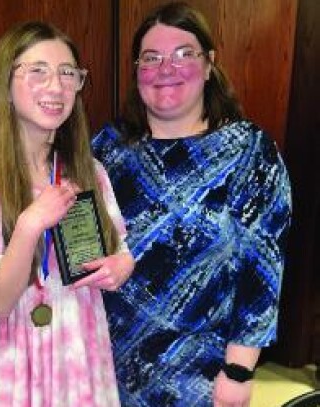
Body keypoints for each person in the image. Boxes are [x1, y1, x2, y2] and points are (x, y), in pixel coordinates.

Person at [91, 2, 292, 407]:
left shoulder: (249, 151)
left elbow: (263, 273)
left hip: (201, 375)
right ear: (137, 71)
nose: (166, 69)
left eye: (184, 54)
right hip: (104, 367)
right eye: (152, 58)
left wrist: (238, 371)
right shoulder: (108, 148)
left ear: (209, 64)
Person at [0, 21, 135, 407]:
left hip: (83, 350)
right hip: (17, 359)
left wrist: (122, 265)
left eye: (67, 73)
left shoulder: (91, 173)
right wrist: (29, 224)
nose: (56, 87)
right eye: (37, 71)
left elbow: (121, 250)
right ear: (5, 86)